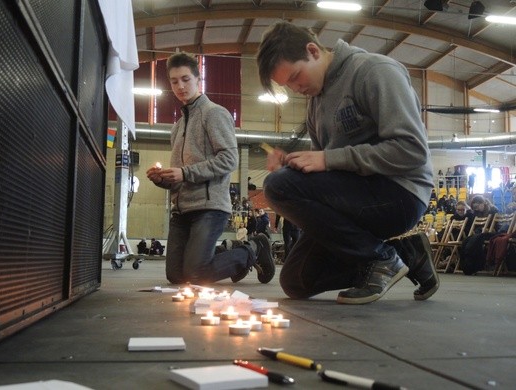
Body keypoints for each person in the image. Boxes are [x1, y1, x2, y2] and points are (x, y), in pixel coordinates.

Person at [256, 22, 437, 304]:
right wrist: (293, 166)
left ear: (313, 51)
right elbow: (323, 174)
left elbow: (412, 150)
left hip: (400, 194)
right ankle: (406, 255)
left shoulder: (374, 71)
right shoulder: (315, 102)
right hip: (356, 196)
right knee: (296, 281)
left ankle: (382, 258)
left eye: (295, 76)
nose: (295, 88)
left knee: (277, 187)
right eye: (287, 85)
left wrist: (325, 160)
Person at [146, 52, 275, 285]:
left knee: (196, 275)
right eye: (174, 81)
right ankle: (226, 257)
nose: (180, 86)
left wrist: (185, 172)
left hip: (210, 208)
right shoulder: (177, 127)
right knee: (176, 276)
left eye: (186, 79)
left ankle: (254, 247)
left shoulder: (214, 113)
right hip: (182, 210)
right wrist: (162, 179)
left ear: (198, 79)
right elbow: (180, 178)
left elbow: (229, 159)